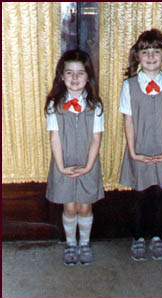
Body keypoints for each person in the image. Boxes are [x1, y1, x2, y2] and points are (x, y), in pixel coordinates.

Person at [119, 29, 162, 261]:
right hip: (140, 150)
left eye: (156, 51)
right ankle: (137, 238)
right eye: (146, 52)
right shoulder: (130, 86)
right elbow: (128, 120)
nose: (151, 56)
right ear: (137, 56)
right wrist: (133, 152)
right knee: (138, 196)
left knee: (158, 196)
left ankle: (156, 237)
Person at [44, 49, 104, 266]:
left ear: (88, 77)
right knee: (69, 207)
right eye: (70, 73)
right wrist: (60, 166)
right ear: (62, 76)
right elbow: (55, 138)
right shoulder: (54, 105)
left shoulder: (95, 105)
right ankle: (71, 244)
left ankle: (85, 243)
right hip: (64, 164)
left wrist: (88, 167)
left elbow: (96, 140)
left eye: (80, 73)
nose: (75, 78)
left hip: (88, 165)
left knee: (85, 207)